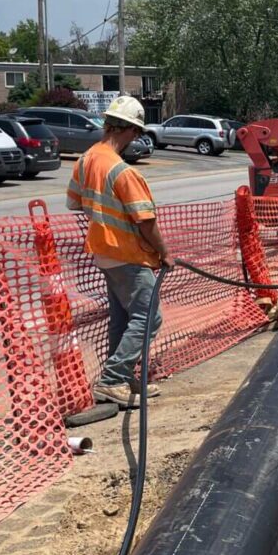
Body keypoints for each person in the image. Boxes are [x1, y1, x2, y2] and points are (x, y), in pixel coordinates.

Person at [66, 96, 173, 408]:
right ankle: (113, 379)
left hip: (104, 252)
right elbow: (146, 221)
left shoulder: (86, 160)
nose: (135, 140)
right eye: (136, 134)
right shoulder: (122, 171)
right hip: (128, 255)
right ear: (127, 130)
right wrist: (165, 253)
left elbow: (75, 202)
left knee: (123, 318)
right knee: (148, 317)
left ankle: (122, 381)